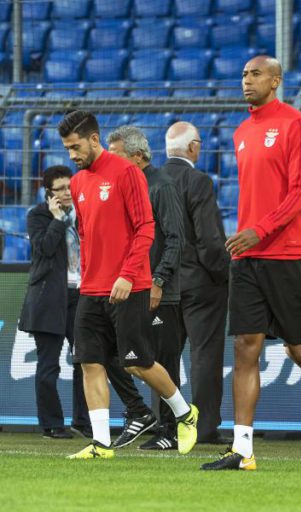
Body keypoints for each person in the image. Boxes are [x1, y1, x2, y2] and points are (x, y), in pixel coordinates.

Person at [201, 56, 301, 471]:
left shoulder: (296, 123)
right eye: (244, 73)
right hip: (248, 257)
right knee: (245, 348)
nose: (246, 79)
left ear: (276, 81)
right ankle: (242, 448)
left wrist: (259, 229)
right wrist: (250, 235)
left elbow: (300, 190)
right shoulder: (242, 129)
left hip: (290, 254)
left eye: (256, 74)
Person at [58, 110, 197, 459]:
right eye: (67, 149)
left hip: (128, 286)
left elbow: (146, 229)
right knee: (90, 362)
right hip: (91, 289)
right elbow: (87, 236)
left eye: (75, 147)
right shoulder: (77, 183)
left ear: (94, 139)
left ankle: (185, 412)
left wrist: (128, 274)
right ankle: (102, 444)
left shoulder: (126, 173)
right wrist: (88, 275)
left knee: (136, 362)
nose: (72, 155)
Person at [106, 126, 186, 450]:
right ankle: (144, 414)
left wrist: (159, 281)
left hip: (158, 290)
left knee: (164, 360)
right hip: (131, 287)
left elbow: (176, 238)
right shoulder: (124, 185)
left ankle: (172, 430)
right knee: (121, 354)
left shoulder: (161, 186)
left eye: (117, 156)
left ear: (137, 156)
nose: (109, 164)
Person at [162, 121, 230, 445]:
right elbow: (209, 239)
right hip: (200, 283)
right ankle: (203, 428)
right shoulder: (197, 181)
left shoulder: (150, 181)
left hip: (161, 284)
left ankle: (166, 428)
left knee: (163, 358)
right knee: (204, 356)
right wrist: (222, 274)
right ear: (193, 147)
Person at [19, 165, 90, 440]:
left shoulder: (84, 211)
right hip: (49, 297)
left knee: (87, 360)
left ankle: (83, 421)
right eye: (60, 189)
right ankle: (51, 423)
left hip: (81, 295)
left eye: (69, 187)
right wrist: (58, 220)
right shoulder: (37, 215)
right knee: (49, 365)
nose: (67, 193)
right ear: (49, 192)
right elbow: (44, 249)